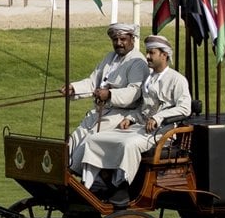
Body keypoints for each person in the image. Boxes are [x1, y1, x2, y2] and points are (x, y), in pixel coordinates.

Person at [70, 35, 191, 200]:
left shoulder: (177, 80)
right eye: (147, 52)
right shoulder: (149, 79)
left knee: (128, 145)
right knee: (95, 139)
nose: (147, 56)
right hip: (141, 128)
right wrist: (131, 118)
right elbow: (143, 107)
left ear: (164, 55)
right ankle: (90, 184)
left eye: (151, 53)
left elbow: (185, 108)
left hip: (162, 133)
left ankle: (122, 187)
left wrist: (158, 118)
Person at [63, 22, 150, 166]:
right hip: (100, 112)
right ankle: (62, 168)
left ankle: (75, 173)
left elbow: (134, 92)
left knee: (89, 140)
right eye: (115, 40)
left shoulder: (138, 62)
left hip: (119, 114)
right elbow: (93, 82)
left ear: (132, 39)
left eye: (123, 39)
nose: (119, 43)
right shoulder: (110, 57)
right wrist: (73, 88)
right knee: (76, 136)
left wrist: (109, 94)